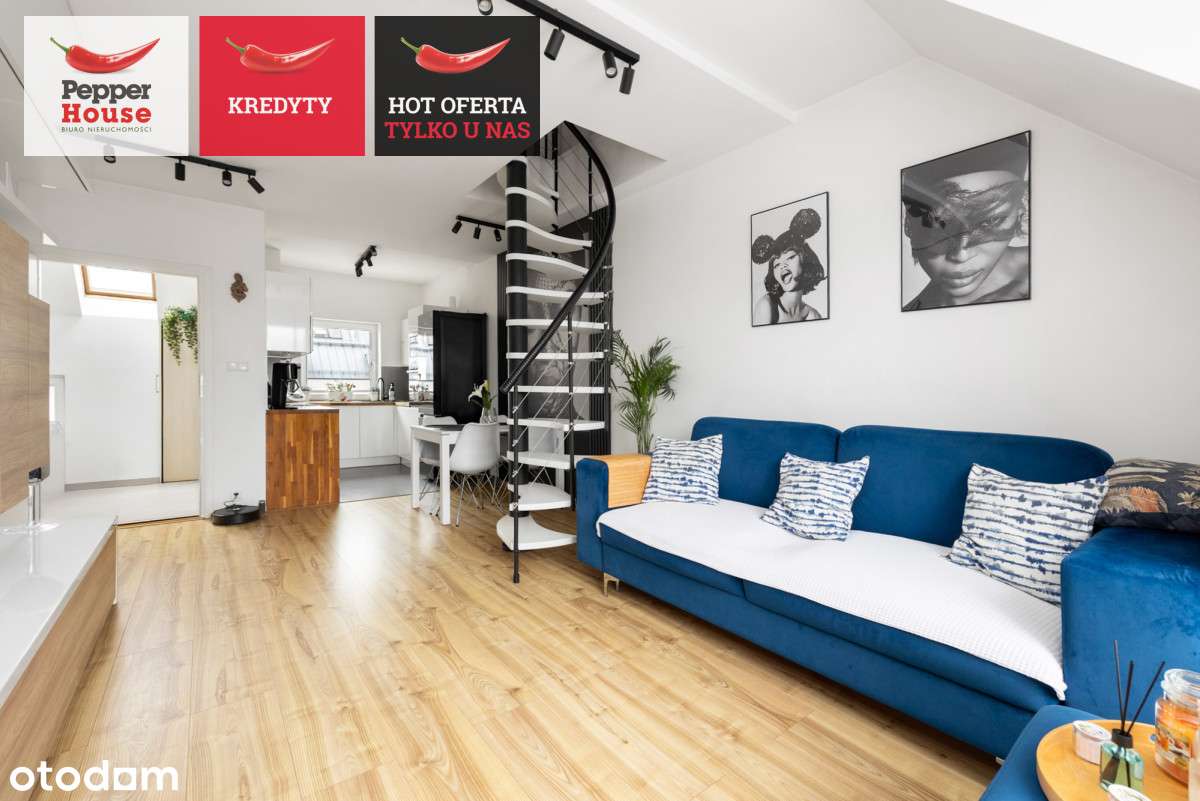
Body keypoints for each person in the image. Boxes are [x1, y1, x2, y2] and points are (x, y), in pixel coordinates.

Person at [902, 133, 1030, 311]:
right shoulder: (911, 315)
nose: (961, 255)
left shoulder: (1057, 270)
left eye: (990, 221)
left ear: (1019, 211)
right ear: (908, 225)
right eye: (939, 226)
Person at [752, 208, 826, 325]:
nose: (782, 266)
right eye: (776, 265)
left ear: (806, 260)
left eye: (790, 258)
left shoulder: (813, 315)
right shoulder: (767, 306)